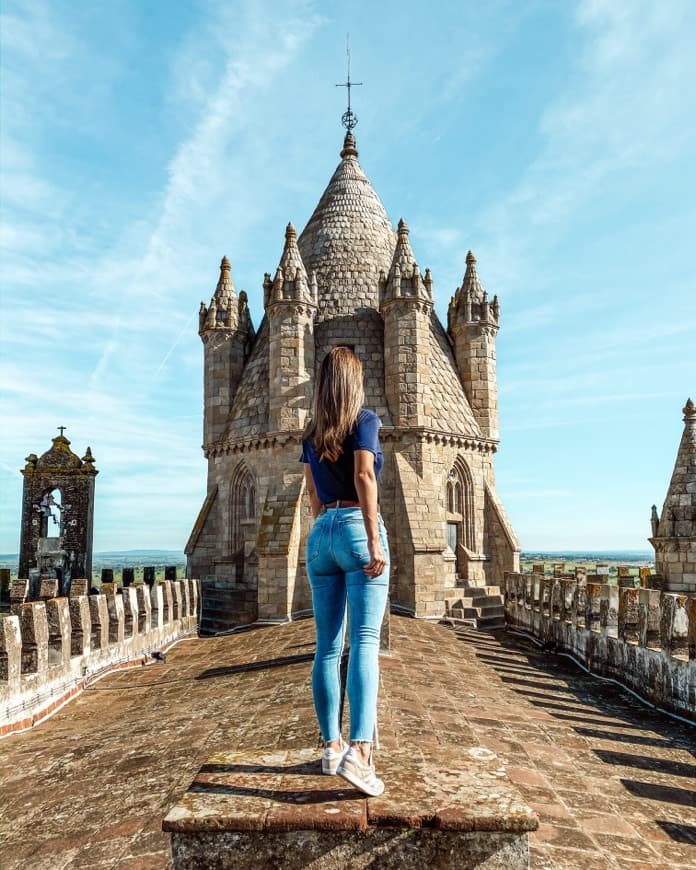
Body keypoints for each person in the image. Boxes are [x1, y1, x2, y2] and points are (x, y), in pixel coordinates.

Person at [301, 347, 389, 797]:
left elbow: (314, 493)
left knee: (327, 646)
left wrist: (325, 526)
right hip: (356, 527)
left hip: (321, 534)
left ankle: (331, 746)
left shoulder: (312, 431)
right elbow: (364, 477)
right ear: (354, 383)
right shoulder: (366, 420)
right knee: (366, 641)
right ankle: (361, 752)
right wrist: (372, 540)